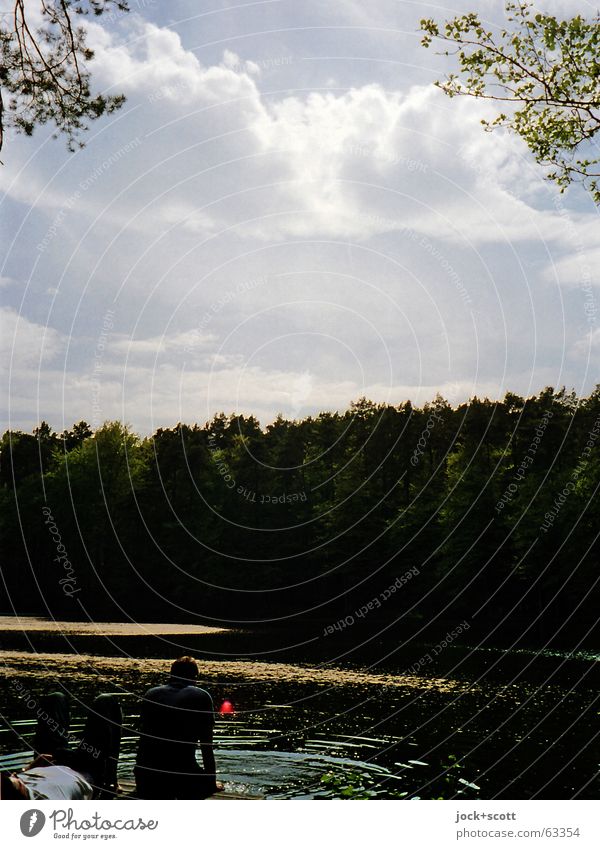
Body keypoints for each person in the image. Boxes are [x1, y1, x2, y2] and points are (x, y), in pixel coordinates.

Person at [0, 691, 122, 801]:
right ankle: (110, 781)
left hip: (48, 763)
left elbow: (10, 782)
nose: (14, 777)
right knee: (105, 702)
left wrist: (28, 768)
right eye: (15, 781)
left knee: (55, 699)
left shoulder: (14, 787)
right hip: (83, 772)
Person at [135, 656, 220, 799]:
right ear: (194, 677)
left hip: (146, 777)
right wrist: (211, 783)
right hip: (181, 777)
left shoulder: (150, 694)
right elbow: (206, 747)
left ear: (171, 675)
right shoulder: (201, 697)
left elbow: (143, 741)